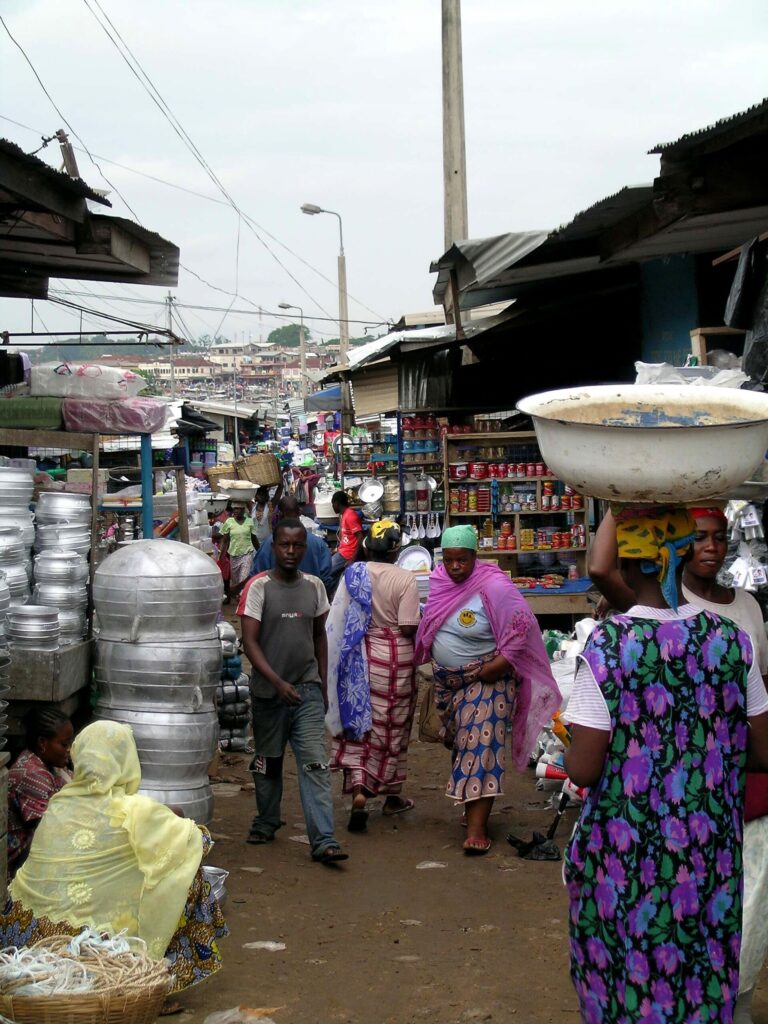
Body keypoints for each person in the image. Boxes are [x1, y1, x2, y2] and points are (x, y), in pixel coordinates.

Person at [565, 507, 768, 1024]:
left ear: (630, 566)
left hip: (624, 860)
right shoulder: (731, 641)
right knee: (699, 981)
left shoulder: (608, 646)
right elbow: (765, 750)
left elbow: (583, 771)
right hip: (708, 860)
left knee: (624, 983)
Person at [2, 720, 227, 1012]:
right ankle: (151, 980)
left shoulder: (60, 802)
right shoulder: (132, 810)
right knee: (187, 869)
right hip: (98, 949)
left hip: (26, 944)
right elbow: (196, 840)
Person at [414, 524, 560, 855]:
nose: (454, 568)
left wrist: (498, 665)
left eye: (461, 561)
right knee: (465, 741)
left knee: (481, 740)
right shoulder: (438, 581)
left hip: (488, 679)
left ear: (474, 557)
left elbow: (522, 627)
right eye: (449, 560)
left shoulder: (494, 587)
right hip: (449, 683)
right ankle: (473, 806)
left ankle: (477, 828)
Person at [240, 518, 348, 864]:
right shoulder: (258, 588)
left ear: (306, 548)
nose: (290, 551)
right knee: (268, 762)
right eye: (284, 545)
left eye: (297, 545)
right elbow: (250, 642)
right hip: (269, 694)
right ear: (273, 547)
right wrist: (276, 682)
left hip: (306, 691)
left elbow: (319, 636)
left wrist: (321, 682)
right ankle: (266, 820)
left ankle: (324, 840)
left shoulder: (315, 586)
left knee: (315, 764)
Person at [326, 520, 421, 832]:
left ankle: (359, 790)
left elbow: (339, 617)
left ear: (367, 545)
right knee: (392, 724)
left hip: (360, 656)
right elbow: (408, 626)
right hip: (395, 659)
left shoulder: (353, 574)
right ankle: (390, 794)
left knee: (361, 725)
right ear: (396, 551)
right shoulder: (405, 578)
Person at [7, 707, 73, 874]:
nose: (69, 750)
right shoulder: (33, 773)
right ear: (43, 743)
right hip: (17, 859)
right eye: (64, 744)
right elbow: (52, 827)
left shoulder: (48, 764)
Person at [250, 495, 333, 592]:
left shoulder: (270, 544)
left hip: (276, 603)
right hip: (310, 602)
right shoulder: (319, 544)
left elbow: (256, 578)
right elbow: (326, 580)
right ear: (300, 512)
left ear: (279, 515)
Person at [219, 502, 258, 600]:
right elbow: (225, 539)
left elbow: (254, 539)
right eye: (234, 509)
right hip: (233, 554)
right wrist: (222, 554)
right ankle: (238, 596)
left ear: (243, 510)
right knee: (236, 580)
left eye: (238, 509)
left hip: (247, 553)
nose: (236, 511)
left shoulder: (249, 521)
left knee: (243, 577)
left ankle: (242, 598)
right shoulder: (229, 522)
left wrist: (260, 551)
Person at [329, 491, 363, 589]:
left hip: (347, 554)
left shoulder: (350, 515)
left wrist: (353, 559)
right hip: (343, 552)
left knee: (326, 571)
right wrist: (337, 549)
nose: (332, 507)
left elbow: (360, 536)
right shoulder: (344, 515)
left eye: (332, 504)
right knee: (333, 576)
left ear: (337, 503)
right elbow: (346, 537)